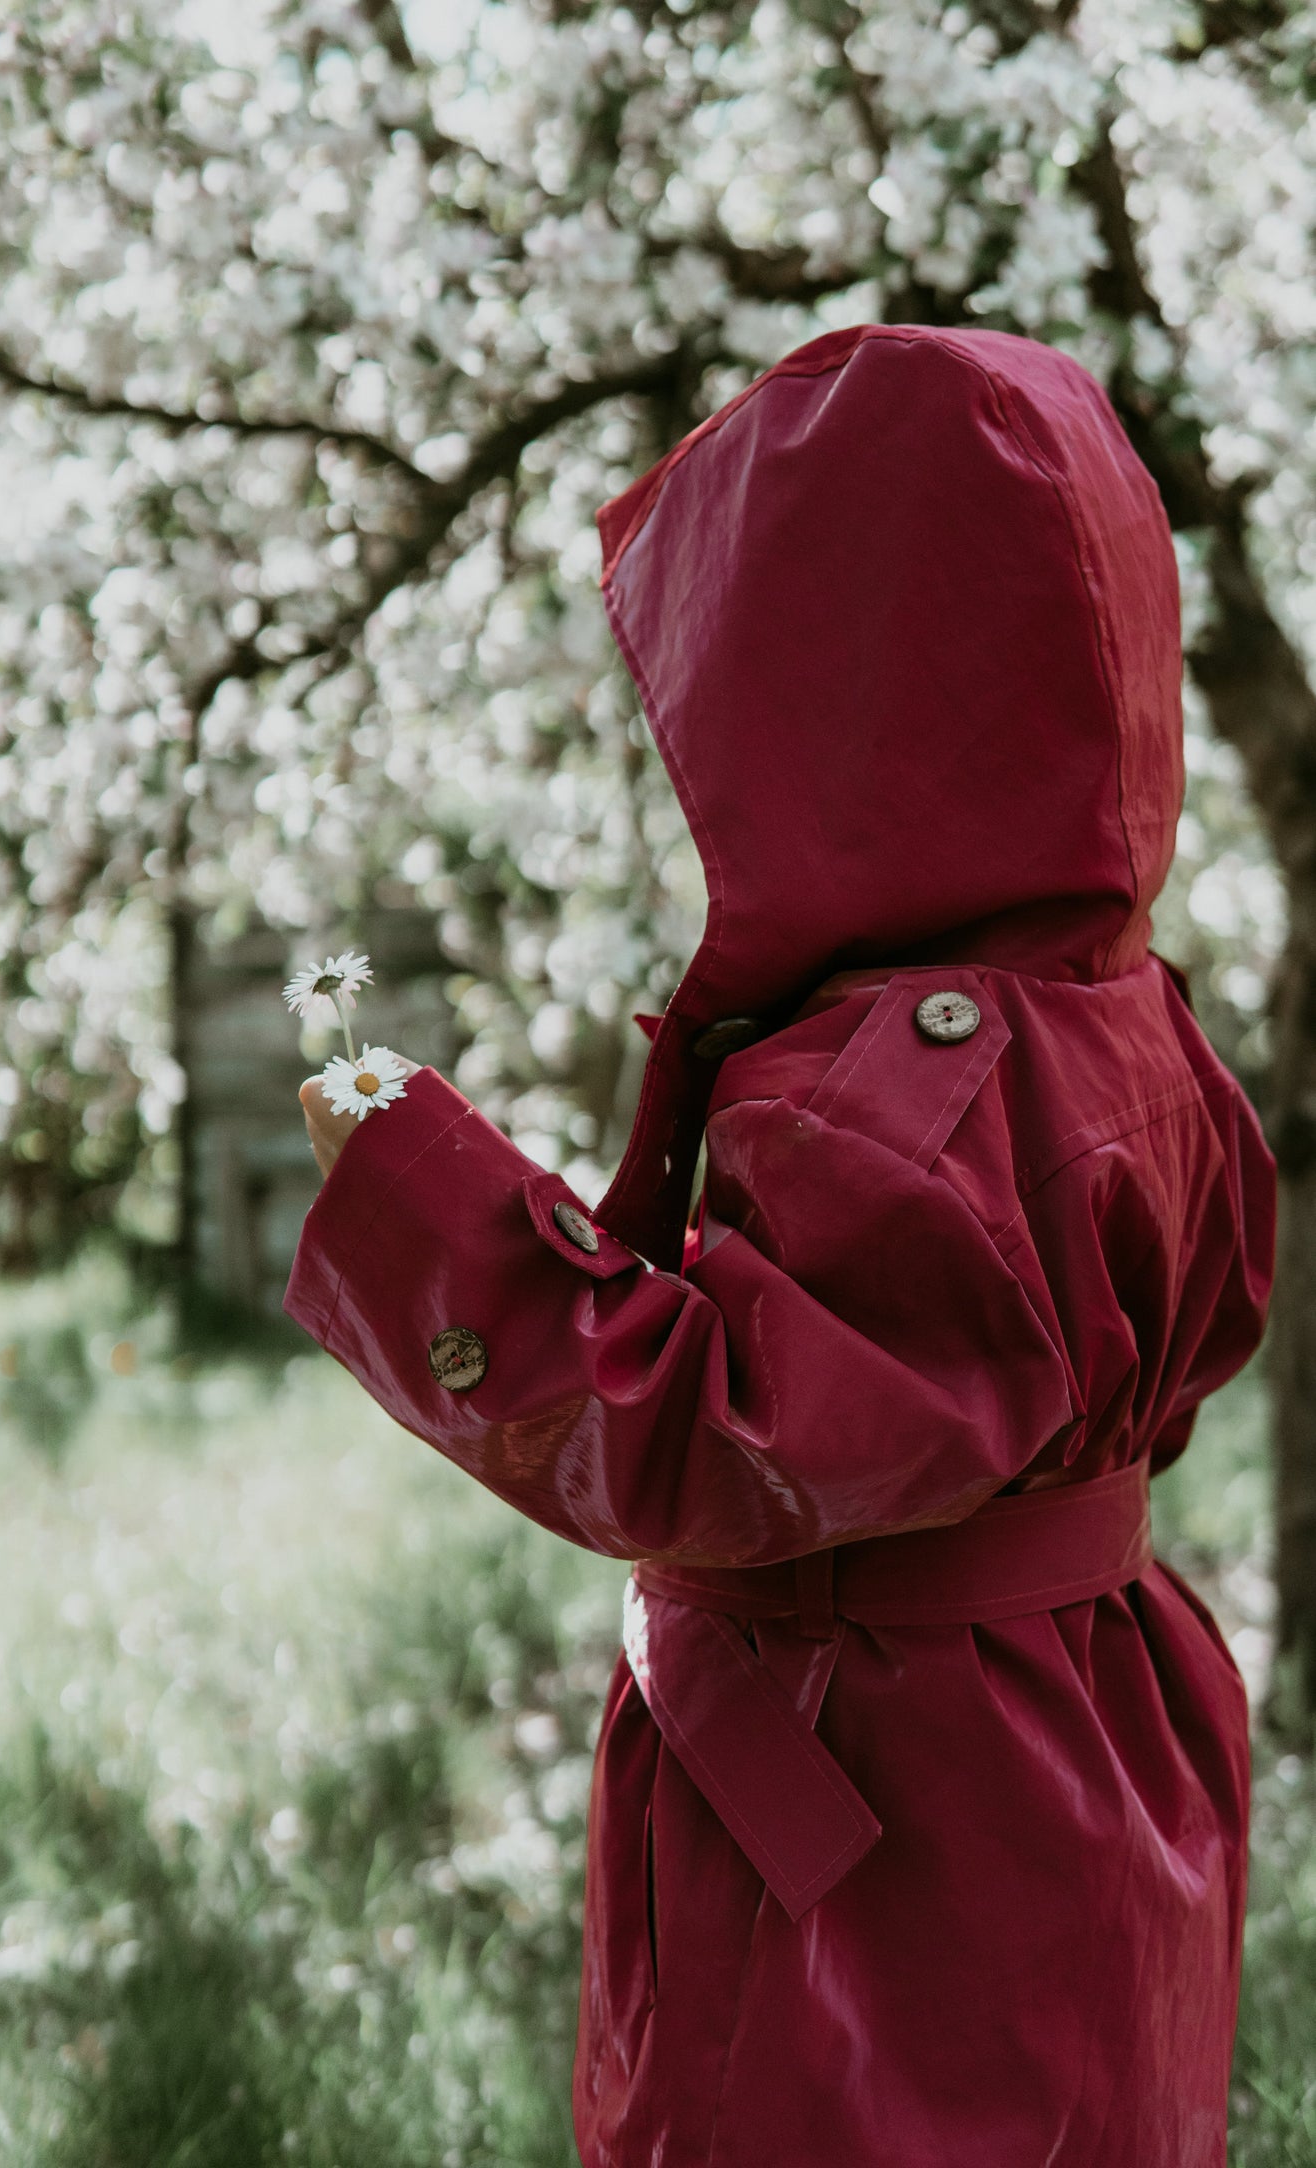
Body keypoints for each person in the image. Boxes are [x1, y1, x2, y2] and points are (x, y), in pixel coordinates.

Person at [287, 324, 1275, 2168]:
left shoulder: (918, 1088)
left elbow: (704, 1437)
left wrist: (421, 1193)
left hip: (894, 1780)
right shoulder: (1123, 1018)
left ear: (853, 713)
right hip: (1080, 1727)